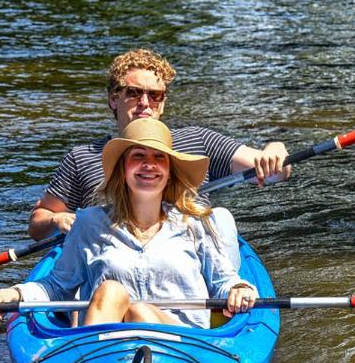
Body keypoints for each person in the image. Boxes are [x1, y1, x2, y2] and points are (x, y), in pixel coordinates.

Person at [0, 118, 257, 328]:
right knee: (111, 291)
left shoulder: (195, 223)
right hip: (109, 352)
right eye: (138, 157)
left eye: (159, 158)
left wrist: (239, 290)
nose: (149, 165)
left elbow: (224, 281)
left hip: (183, 352)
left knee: (140, 313)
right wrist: (13, 292)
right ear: (123, 170)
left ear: (170, 172)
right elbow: (56, 287)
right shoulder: (89, 224)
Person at [27, 48, 290, 241]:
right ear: (113, 99)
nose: (144, 102)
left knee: (221, 219)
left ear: (162, 102)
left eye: (154, 95)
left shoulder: (199, 141)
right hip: (108, 255)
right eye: (133, 92)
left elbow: (277, 172)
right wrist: (55, 219)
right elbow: (38, 225)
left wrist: (275, 150)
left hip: (189, 256)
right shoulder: (82, 158)